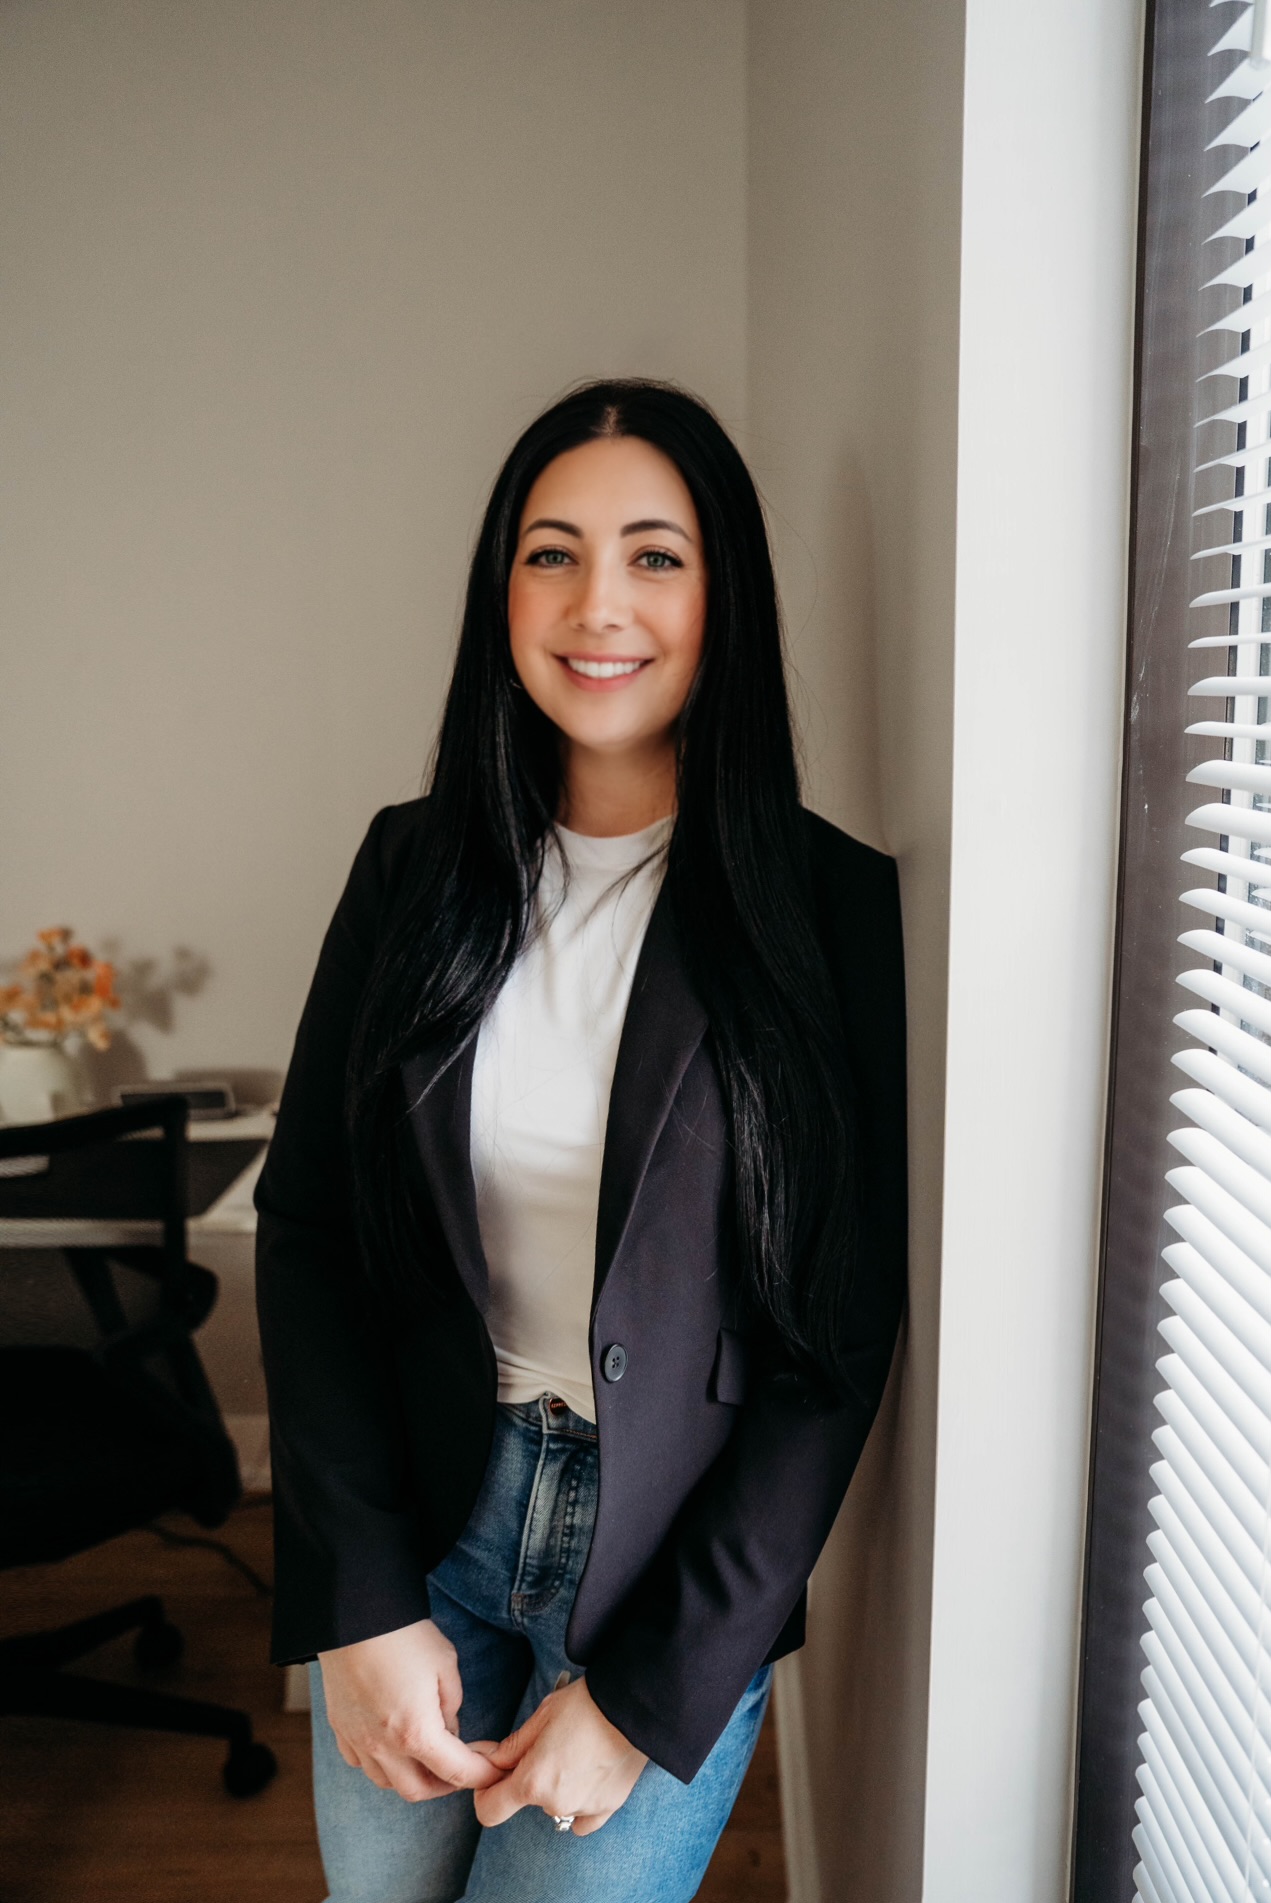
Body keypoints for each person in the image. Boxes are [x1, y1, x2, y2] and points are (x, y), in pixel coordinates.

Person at [253, 378, 907, 1903]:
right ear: (503, 591)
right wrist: (357, 1608)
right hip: (426, 1533)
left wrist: (644, 1694)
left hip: (663, 1571)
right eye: (550, 553)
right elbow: (311, 1234)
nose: (595, 603)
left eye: (654, 556)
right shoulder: (408, 867)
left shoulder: (824, 908)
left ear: (722, 591)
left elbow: (836, 1340)